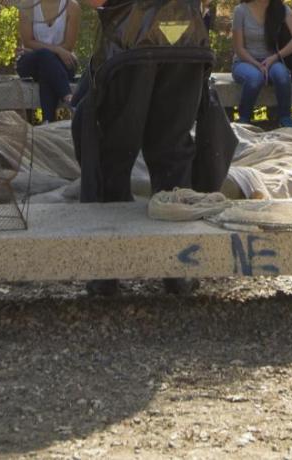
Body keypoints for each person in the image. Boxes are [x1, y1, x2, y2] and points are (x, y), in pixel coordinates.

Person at [72, 0, 234, 296]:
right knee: (173, 152)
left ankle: (107, 270)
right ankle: (179, 268)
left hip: (129, 46)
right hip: (186, 43)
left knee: (114, 154)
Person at [229, 0, 292, 126]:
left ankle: (285, 119)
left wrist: (276, 57)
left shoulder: (281, 9)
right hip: (244, 61)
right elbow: (239, 48)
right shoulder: (241, 10)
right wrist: (257, 65)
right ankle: (244, 120)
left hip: (271, 60)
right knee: (255, 78)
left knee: (282, 76)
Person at [16, 0, 80, 122]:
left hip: (63, 63)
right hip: (31, 63)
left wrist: (48, 52)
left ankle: (48, 122)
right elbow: (28, 42)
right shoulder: (27, 5)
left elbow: (69, 46)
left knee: (46, 68)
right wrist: (56, 50)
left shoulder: (72, 7)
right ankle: (68, 98)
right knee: (45, 57)